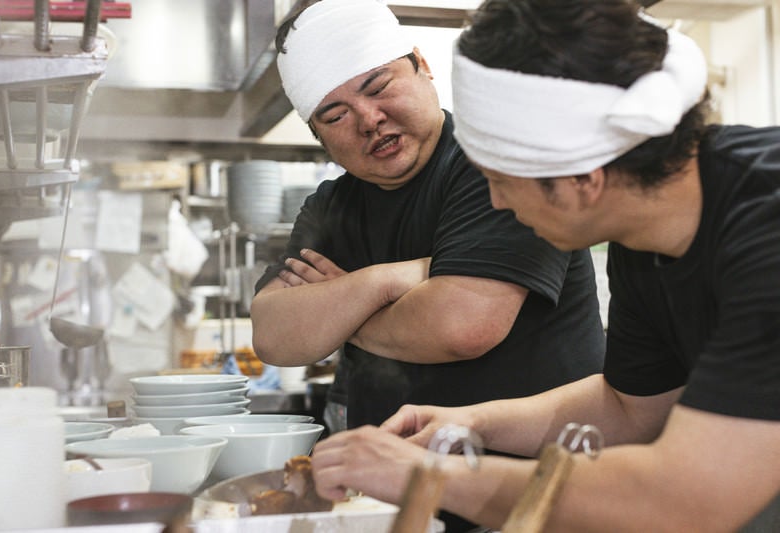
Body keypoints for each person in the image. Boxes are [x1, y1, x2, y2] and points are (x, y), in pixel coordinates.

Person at [308, 0, 780, 531]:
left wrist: (427, 474)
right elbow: (630, 409)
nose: (499, 203)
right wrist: (472, 423)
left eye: (502, 180)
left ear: (583, 176)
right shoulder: (644, 238)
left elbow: (685, 498)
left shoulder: (767, 224)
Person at [250, 1, 606, 527]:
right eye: (336, 114)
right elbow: (275, 337)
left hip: (535, 499)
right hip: (397, 501)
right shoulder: (330, 206)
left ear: (421, 63)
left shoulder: (497, 166)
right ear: (319, 136)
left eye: (377, 87)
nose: (370, 119)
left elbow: (462, 325)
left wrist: (341, 313)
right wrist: (388, 279)